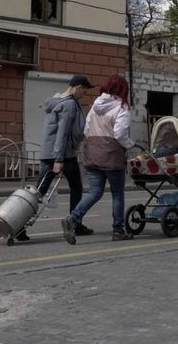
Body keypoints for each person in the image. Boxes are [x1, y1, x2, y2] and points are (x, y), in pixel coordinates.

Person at [19, 74, 93, 241]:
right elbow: (63, 133)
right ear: (78, 87)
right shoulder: (69, 105)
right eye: (85, 91)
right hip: (63, 155)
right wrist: (59, 159)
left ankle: (19, 226)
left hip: (49, 153)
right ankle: (75, 223)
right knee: (75, 188)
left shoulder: (56, 100)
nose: (84, 95)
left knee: (39, 192)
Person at [64, 74, 135, 243]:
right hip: (111, 155)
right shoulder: (122, 107)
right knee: (117, 193)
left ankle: (73, 219)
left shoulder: (96, 104)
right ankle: (118, 230)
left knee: (95, 192)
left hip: (92, 152)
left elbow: (86, 129)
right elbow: (119, 134)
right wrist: (131, 144)